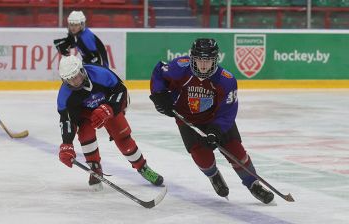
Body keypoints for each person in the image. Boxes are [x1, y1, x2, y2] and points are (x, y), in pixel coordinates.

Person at [149, 38, 274, 204]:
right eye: (199, 60)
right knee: (202, 157)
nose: (203, 65)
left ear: (215, 60)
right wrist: (159, 95)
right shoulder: (180, 67)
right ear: (192, 58)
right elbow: (159, 72)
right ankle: (213, 175)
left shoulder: (226, 80)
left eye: (207, 61)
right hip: (189, 121)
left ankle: (253, 184)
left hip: (216, 120)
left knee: (237, 152)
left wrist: (216, 130)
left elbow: (228, 112)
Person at [56, 55, 163, 190]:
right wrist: (67, 143)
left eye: (76, 76)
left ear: (82, 70)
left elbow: (121, 91)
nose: (74, 82)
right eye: (69, 80)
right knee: (85, 135)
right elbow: (67, 119)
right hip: (85, 113)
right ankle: (95, 168)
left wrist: (109, 108)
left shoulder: (101, 74)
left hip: (108, 106)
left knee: (122, 135)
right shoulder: (65, 95)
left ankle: (143, 168)